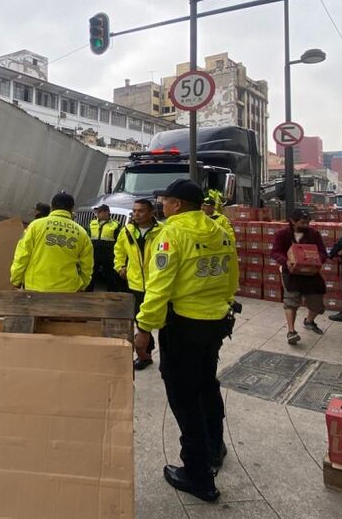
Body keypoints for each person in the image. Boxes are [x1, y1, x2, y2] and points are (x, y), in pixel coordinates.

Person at [136, 179, 237, 502]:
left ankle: (198, 474)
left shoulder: (171, 234)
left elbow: (159, 286)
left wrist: (144, 327)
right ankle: (214, 447)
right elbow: (231, 277)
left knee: (183, 395)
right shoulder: (220, 231)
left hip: (183, 324)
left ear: (177, 204)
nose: (161, 205)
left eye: (165, 200)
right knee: (207, 384)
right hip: (215, 322)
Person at [113, 198, 165, 370]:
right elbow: (119, 250)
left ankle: (168, 356)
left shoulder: (162, 231)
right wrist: (120, 266)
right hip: (135, 284)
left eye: (141, 211)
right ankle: (145, 356)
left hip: (158, 284)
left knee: (165, 322)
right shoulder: (127, 230)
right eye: (134, 211)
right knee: (141, 322)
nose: (136, 214)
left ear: (151, 213)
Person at [11, 192, 93, 292]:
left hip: (36, 287)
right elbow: (87, 265)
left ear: (52, 207)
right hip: (68, 290)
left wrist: (16, 280)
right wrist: (83, 285)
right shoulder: (82, 233)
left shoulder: (35, 226)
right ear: (72, 209)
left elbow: (22, 256)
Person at [272, 209, 328, 345]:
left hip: (311, 273)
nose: (306, 225)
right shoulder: (282, 234)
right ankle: (291, 332)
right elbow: (275, 252)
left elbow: (323, 253)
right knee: (291, 301)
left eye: (308, 222)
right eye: (303, 222)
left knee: (317, 303)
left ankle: (309, 321)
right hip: (290, 273)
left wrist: (315, 260)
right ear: (292, 221)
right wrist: (286, 261)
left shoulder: (314, 234)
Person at [87, 204, 122, 291]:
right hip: (94, 253)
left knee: (110, 275)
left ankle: (112, 294)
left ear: (106, 212)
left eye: (100, 212)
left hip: (108, 254)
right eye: (97, 212)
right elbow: (87, 237)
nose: (97, 214)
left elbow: (119, 240)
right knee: (91, 274)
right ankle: (88, 292)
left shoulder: (115, 225)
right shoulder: (92, 223)